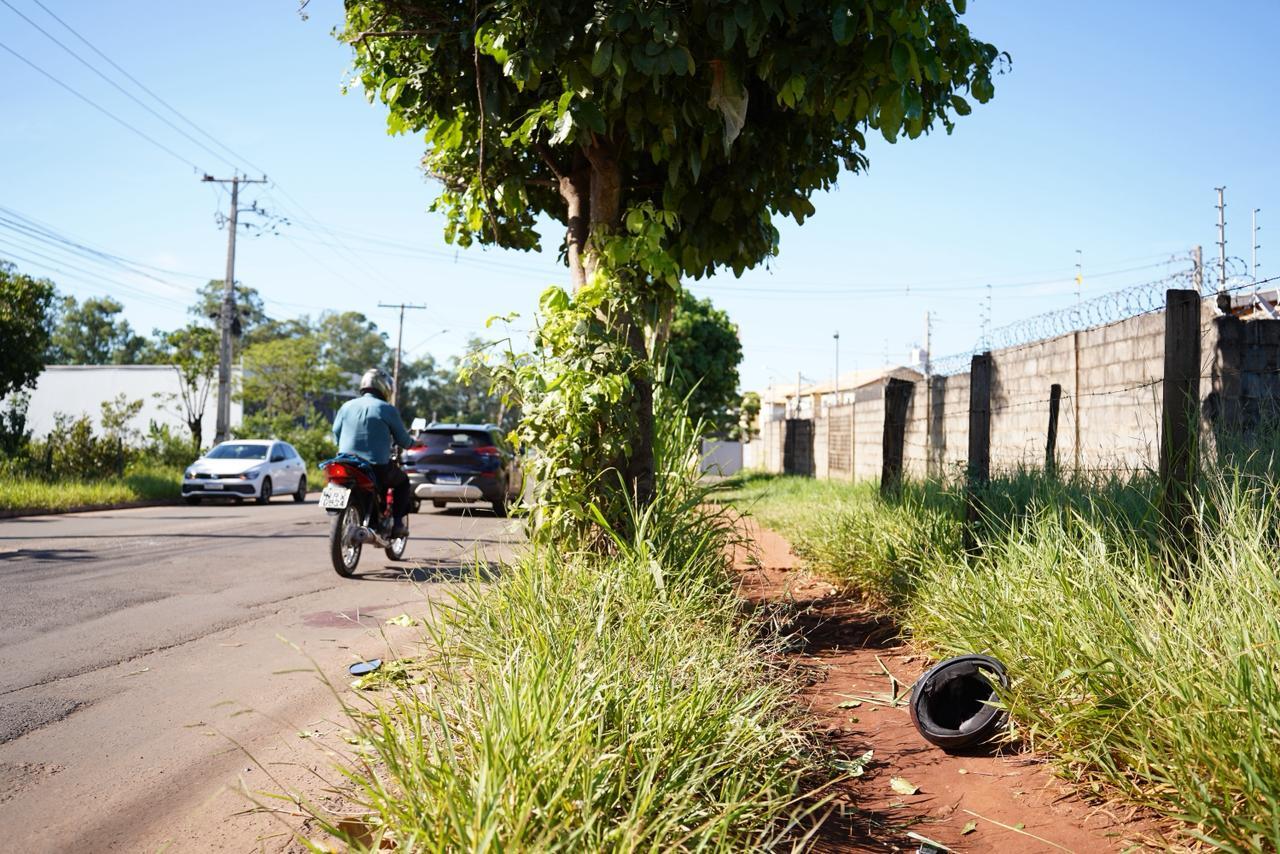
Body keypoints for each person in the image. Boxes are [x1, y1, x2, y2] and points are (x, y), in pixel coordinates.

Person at [332, 368, 414, 538]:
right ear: (384, 387)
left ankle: (371, 519)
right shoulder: (387, 409)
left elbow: (336, 433)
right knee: (403, 482)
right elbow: (404, 441)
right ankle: (398, 524)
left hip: (345, 462)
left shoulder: (346, 406)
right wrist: (415, 443)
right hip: (376, 466)